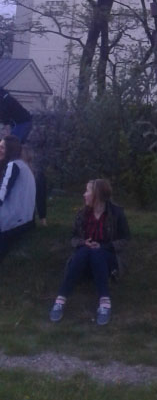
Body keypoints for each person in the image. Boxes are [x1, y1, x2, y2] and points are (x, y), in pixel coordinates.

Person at [49, 179, 130, 326]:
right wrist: (83, 243)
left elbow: (125, 240)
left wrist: (104, 247)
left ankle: (104, 303)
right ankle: (60, 300)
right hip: (84, 258)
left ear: (97, 195)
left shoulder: (116, 213)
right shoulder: (82, 214)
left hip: (107, 259)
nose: (84, 194)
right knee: (87, 250)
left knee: (96, 252)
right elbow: (73, 238)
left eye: (87, 191)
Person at [0, 134, 36, 260]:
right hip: (26, 220)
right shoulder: (23, 166)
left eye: (2, 147)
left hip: (13, 221)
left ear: (10, 150)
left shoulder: (13, 165)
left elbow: (2, 195)